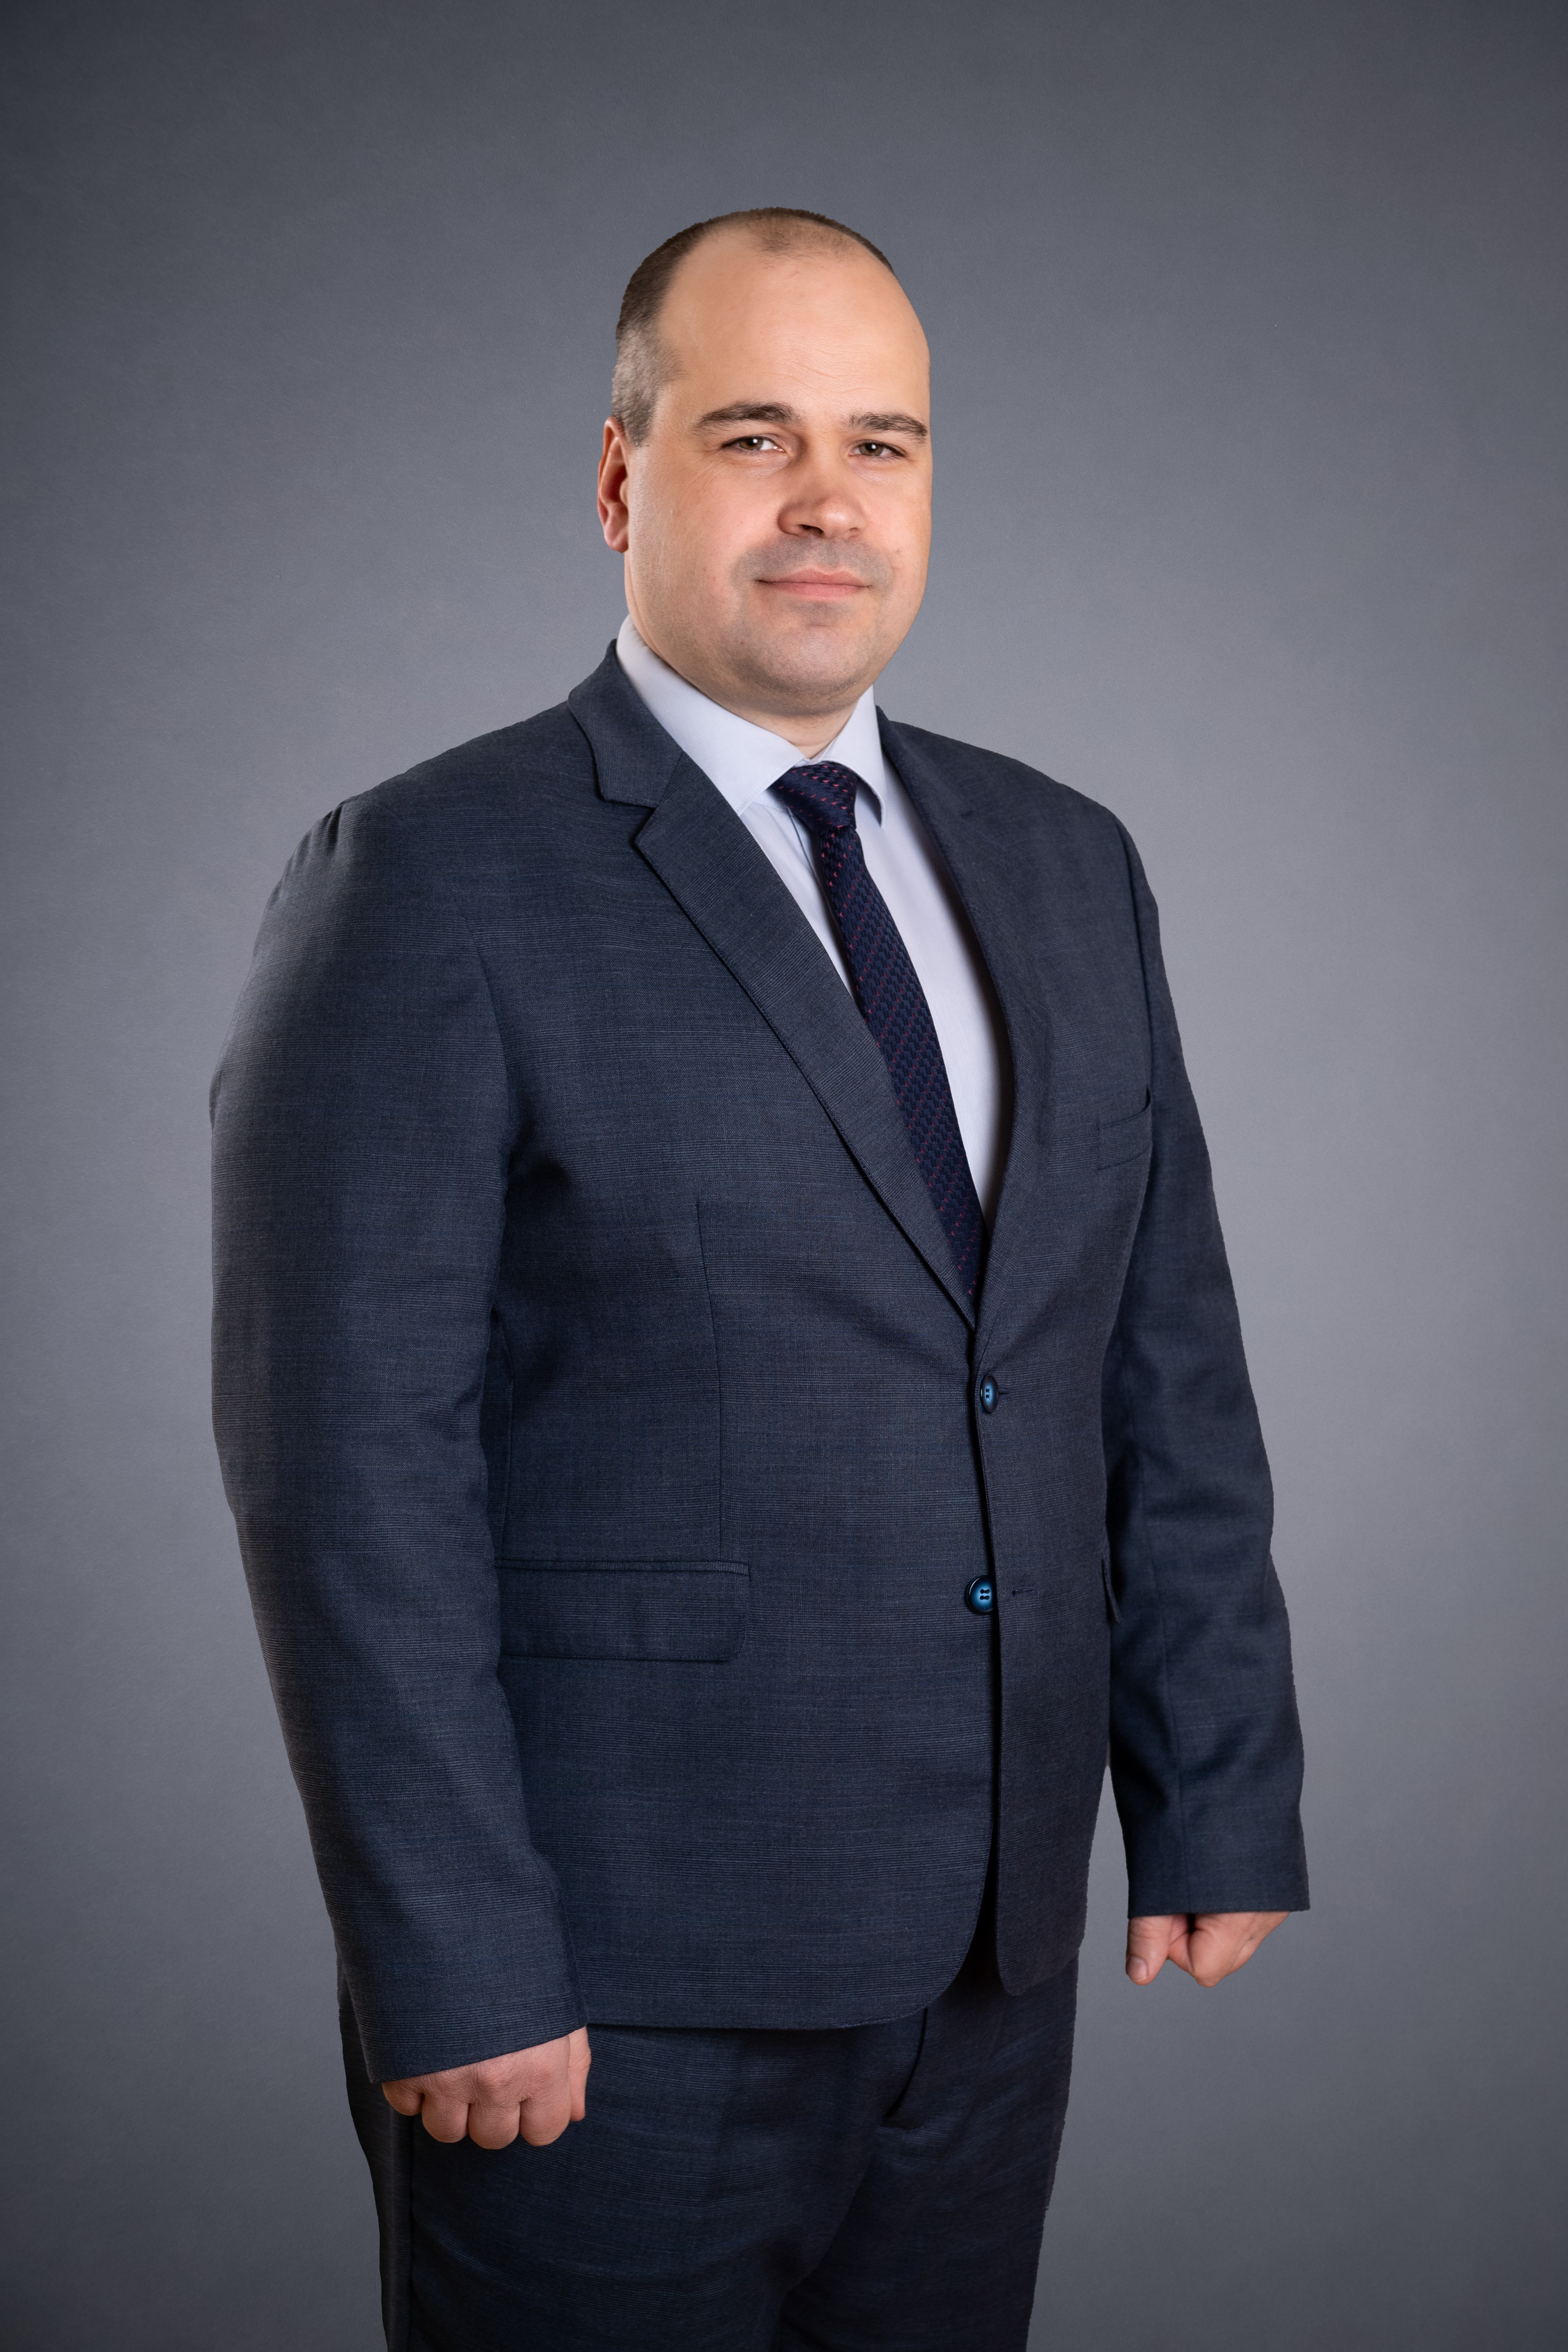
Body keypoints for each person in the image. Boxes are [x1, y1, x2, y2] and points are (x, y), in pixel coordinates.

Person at [211, 207, 1307, 2352]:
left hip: (987, 1965)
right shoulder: (427, 877)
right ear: (622, 480)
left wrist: (1216, 1786)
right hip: (598, 1998)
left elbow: (1157, 1357)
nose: (829, 499)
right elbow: (345, 1476)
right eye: (753, 436)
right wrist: (454, 1960)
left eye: (881, 443)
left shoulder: (1066, 862)